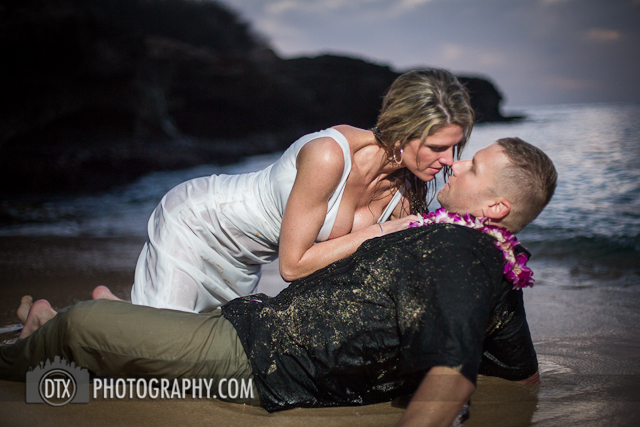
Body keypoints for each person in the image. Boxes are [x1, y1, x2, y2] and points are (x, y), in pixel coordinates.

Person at [4, 137, 557, 427]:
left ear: (497, 205)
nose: (455, 165)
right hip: (257, 326)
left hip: (257, 354)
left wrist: (438, 389)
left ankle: (25, 349)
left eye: (472, 168)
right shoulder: (498, 266)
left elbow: (451, 372)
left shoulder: (459, 248)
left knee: (88, 326)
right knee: (113, 372)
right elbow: (522, 375)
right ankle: (52, 324)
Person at [92, 68, 475, 313]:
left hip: (243, 262)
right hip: (198, 225)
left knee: (176, 347)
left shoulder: (404, 192)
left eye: (454, 147)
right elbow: (292, 266)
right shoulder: (329, 155)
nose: (447, 159)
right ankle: (78, 320)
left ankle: (101, 310)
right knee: (158, 355)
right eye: (437, 146)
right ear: (403, 128)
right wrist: (382, 231)